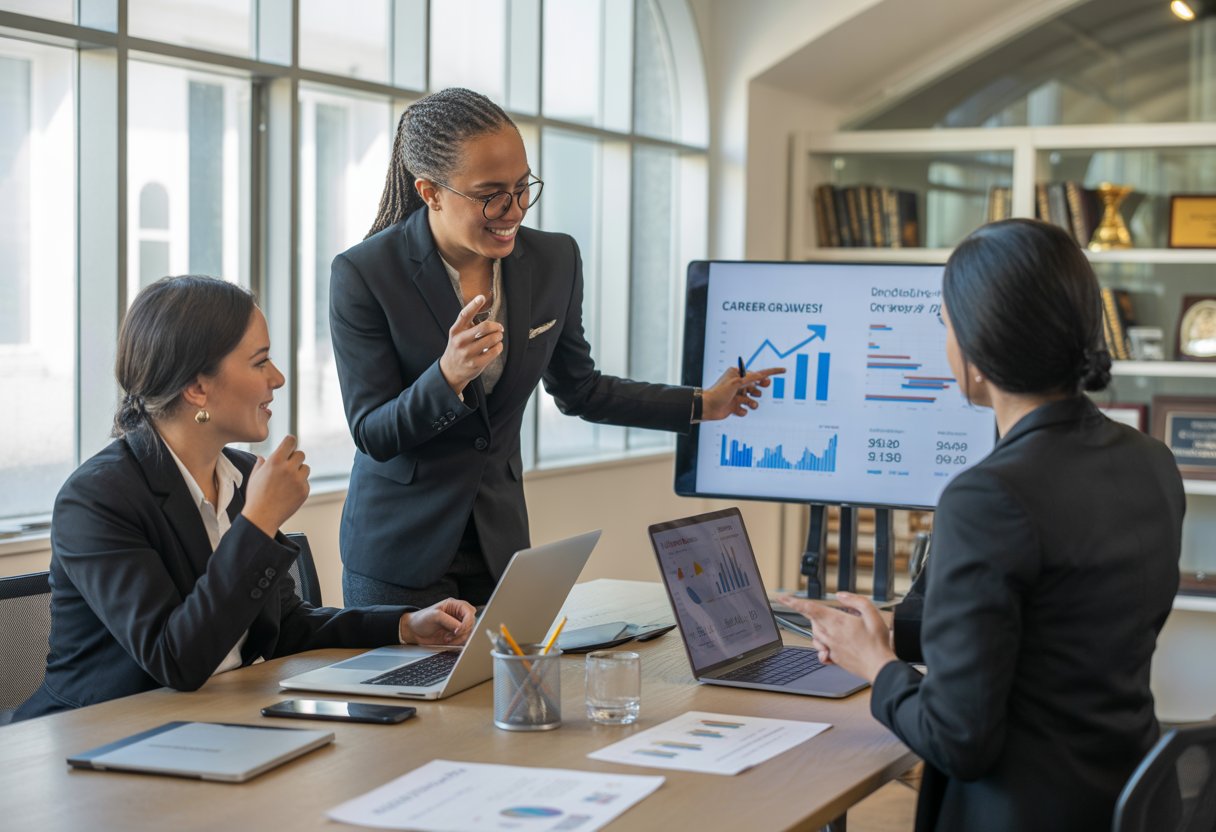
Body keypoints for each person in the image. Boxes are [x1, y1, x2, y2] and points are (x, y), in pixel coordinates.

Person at [780, 218, 1185, 832]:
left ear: (977, 349)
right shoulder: (1149, 460)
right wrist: (896, 629)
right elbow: (1060, 628)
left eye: (946, 325)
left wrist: (875, 666)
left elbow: (956, 739)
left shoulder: (988, 495)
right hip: (1125, 798)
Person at [330, 87, 781, 608]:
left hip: (499, 548)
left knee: (502, 691)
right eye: (491, 194)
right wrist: (447, 376)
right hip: (398, 556)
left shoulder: (553, 260)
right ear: (430, 191)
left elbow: (580, 390)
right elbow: (373, 433)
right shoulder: (365, 274)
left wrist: (703, 404)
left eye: (524, 186)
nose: (514, 209)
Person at [14, 276, 476, 722]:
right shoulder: (96, 499)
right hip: (97, 738)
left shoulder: (241, 475)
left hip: (213, 719)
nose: (277, 378)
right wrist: (258, 521)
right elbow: (176, 660)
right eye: (260, 362)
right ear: (197, 387)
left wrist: (404, 627)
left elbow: (286, 625)